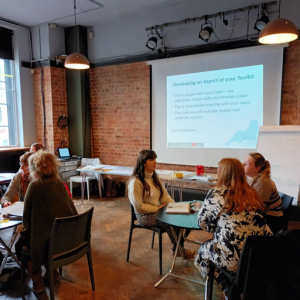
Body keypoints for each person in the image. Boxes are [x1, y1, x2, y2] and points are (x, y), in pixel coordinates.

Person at [194, 158, 272, 296]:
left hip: (233, 258)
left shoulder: (217, 193)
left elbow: (202, 223)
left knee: (203, 250)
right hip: (260, 254)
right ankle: (232, 288)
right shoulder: (252, 192)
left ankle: (226, 288)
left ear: (223, 173)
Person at [15, 150, 77, 296]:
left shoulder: (35, 186)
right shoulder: (59, 184)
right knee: (46, 235)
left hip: (51, 244)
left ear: (34, 168)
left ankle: (38, 283)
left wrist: (24, 235)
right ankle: (53, 274)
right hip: (69, 240)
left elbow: (27, 219)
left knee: (21, 246)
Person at [128, 149, 195, 258]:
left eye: (155, 159)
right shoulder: (136, 181)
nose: (155, 162)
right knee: (171, 221)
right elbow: (139, 207)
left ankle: (177, 249)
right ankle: (178, 249)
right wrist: (157, 208)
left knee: (186, 217)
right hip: (145, 216)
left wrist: (177, 207)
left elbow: (165, 196)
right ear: (144, 163)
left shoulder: (155, 176)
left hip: (157, 210)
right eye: (151, 159)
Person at [242, 152, 283, 234]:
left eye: (246, 163)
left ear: (257, 168)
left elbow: (256, 207)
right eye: (243, 161)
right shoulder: (248, 178)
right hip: (260, 214)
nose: (242, 165)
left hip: (271, 219)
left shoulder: (262, 182)